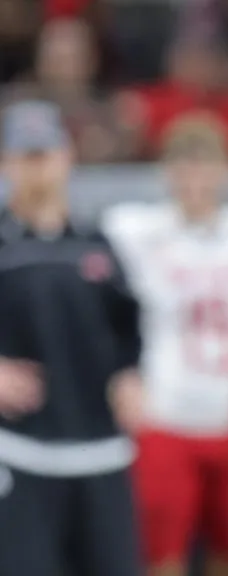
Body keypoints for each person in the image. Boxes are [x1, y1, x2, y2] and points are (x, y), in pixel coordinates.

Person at [101, 114, 228, 576]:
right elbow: (99, 313)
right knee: (160, 555)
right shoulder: (131, 231)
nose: (195, 180)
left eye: (206, 165)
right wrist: (117, 373)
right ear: (165, 171)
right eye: (183, 166)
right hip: (166, 415)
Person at [0, 100, 144, 575]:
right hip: (20, 454)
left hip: (100, 452)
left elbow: (130, 325)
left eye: (45, 154)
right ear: (7, 164)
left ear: (66, 158)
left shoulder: (97, 243)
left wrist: (131, 375)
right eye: (26, 156)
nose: (37, 169)